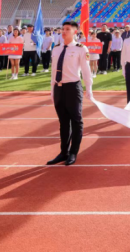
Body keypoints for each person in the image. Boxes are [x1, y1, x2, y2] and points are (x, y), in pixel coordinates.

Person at [46, 20, 93, 167]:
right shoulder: (56, 49)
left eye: (67, 29)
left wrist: (89, 89)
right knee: (63, 122)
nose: (64, 31)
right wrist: (52, 90)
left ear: (75, 32)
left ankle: (73, 152)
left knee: (76, 120)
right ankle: (63, 152)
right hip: (59, 88)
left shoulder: (81, 49)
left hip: (73, 87)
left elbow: (86, 70)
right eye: (63, 29)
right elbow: (53, 71)